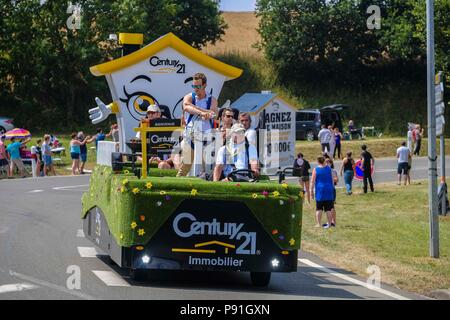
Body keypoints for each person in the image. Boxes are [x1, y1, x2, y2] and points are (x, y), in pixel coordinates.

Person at [178, 72, 218, 177]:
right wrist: (202, 112)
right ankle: (175, 188)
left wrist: (207, 113)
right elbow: (187, 107)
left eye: (198, 86)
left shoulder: (212, 99)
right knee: (185, 165)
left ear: (205, 85)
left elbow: (213, 113)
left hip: (206, 136)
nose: (195, 88)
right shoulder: (189, 96)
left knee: (207, 166)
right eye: (194, 86)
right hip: (191, 136)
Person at [310, 156, 335, 229]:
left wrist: (311, 191)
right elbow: (332, 179)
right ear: (324, 160)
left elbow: (312, 181)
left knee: (319, 208)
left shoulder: (316, 169)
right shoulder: (329, 168)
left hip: (320, 190)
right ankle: (330, 224)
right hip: (328, 189)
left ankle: (318, 224)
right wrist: (332, 188)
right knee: (328, 208)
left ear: (318, 162)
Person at [326, 158, 338, 227]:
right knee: (327, 207)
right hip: (325, 190)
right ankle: (329, 221)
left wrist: (330, 178)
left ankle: (334, 221)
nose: (327, 163)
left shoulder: (333, 171)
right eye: (326, 162)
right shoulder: (323, 170)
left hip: (331, 189)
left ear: (331, 163)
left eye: (328, 162)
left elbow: (336, 180)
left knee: (332, 206)